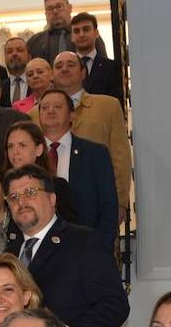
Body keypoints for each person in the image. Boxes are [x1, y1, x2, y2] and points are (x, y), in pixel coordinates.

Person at [3, 164, 129, 327]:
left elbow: (115, 305)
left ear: (52, 199)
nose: (21, 202)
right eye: (14, 197)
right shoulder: (8, 252)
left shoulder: (83, 241)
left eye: (30, 192)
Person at [34, 51, 132, 220]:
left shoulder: (108, 106)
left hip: (95, 203)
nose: (64, 69)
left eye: (71, 65)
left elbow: (120, 156)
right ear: (52, 75)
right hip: (47, 208)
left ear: (83, 72)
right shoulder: (34, 114)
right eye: (59, 66)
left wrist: (120, 201)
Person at [36, 89, 119, 251]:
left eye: (57, 107)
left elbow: (108, 206)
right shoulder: (30, 154)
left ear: (72, 115)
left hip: (86, 246)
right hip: (40, 248)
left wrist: (102, 247)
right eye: (44, 107)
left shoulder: (95, 153)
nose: (50, 111)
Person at [3, 120, 79, 223]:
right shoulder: (1, 187)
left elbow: (68, 226)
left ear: (39, 149)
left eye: (22, 145)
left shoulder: (57, 187)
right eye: (10, 146)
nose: (15, 152)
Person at [28, 0, 108, 62]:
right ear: (45, 13)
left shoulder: (88, 35)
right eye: (50, 8)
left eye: (59, 6)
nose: (55, 11)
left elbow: (103, 64)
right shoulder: (35, 41)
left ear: (69, 8)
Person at [72, 12, 122, 102]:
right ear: (72, 37)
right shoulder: (65, 69)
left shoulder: (112, 67)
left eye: (86, 29)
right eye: (76, 31)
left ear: (96, 33)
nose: (81, 34)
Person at [3, 37, 33, 109]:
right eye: (9, 51)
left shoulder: (37, 84)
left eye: (19, 50)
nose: (14, 54)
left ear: (29, 57)